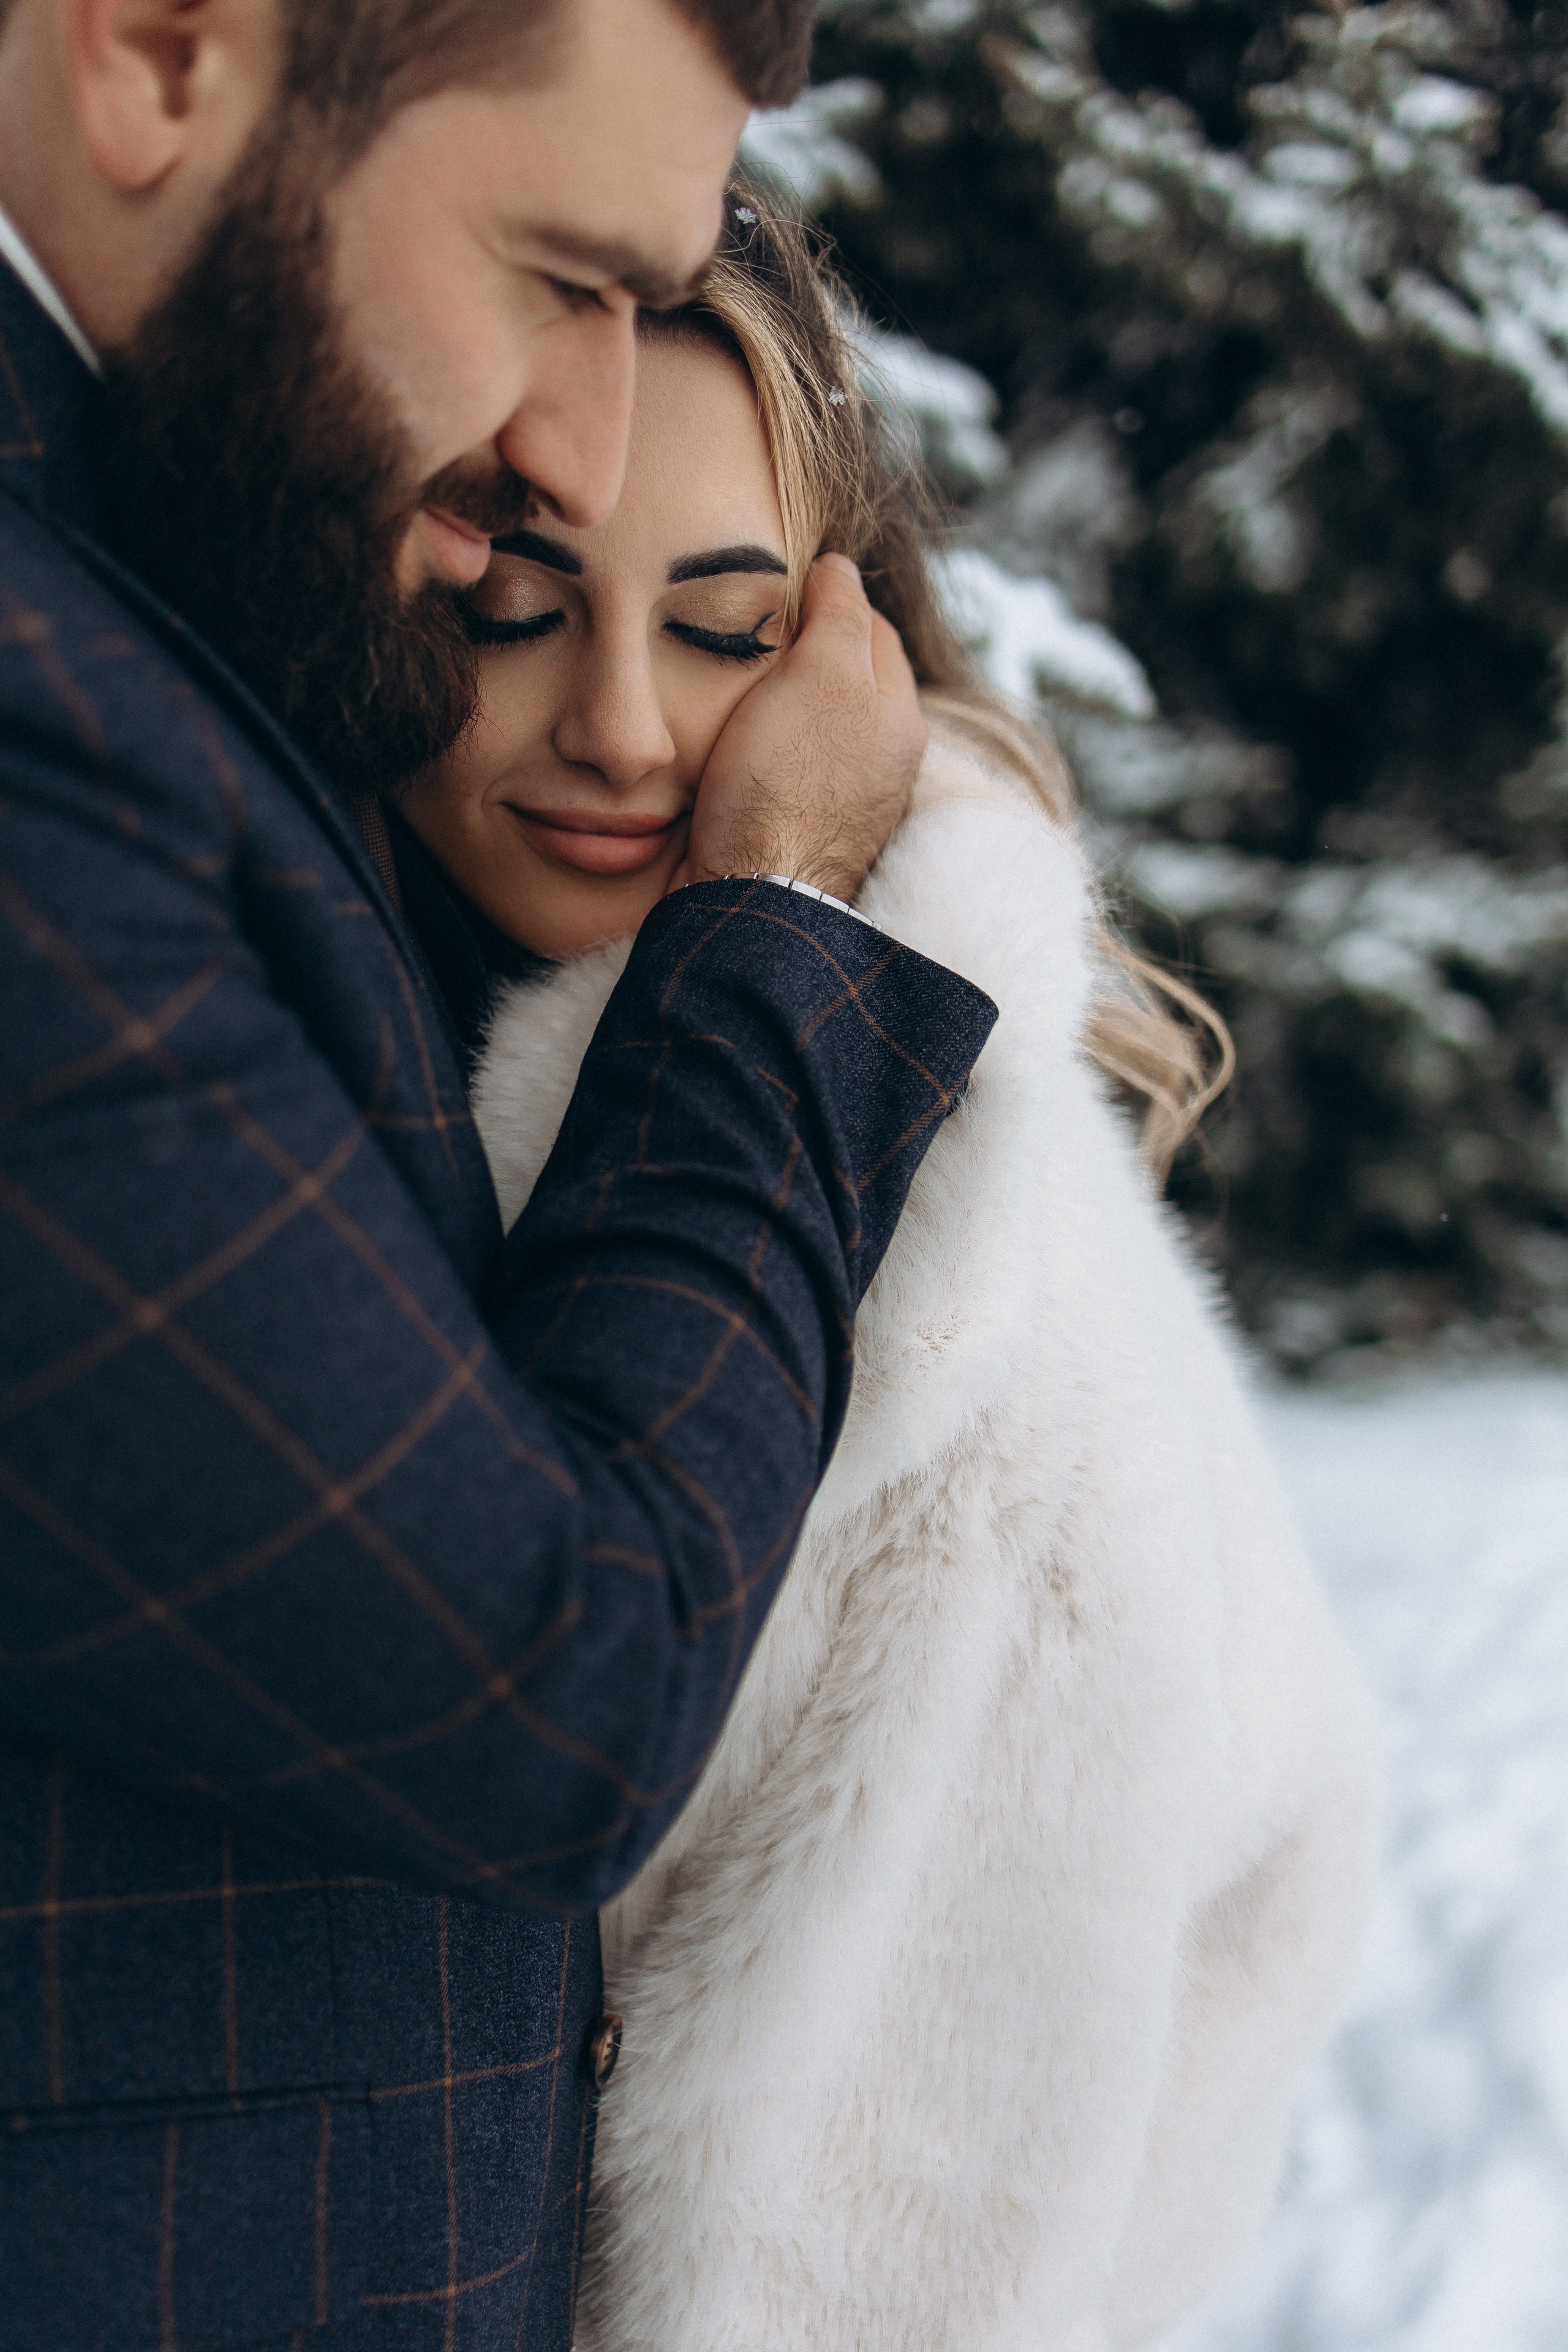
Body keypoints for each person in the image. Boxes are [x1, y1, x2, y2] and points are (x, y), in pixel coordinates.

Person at [0, 2, 1000, 2345]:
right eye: (560, 272)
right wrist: (766, 926)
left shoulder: (149, 548)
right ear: (156, 56)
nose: (565, 429)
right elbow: (556, 1694)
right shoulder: (46, 685)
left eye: (723, 619)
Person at [403, 187, 1381, 2351]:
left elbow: (1262, 1858)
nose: (625, 729)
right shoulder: (300, 1051)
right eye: (520, 606)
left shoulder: (964, 1208)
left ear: (850, 657)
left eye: (723, 627)